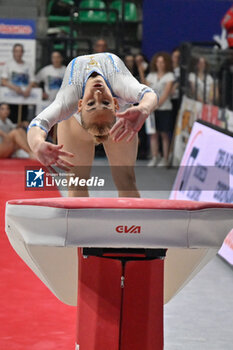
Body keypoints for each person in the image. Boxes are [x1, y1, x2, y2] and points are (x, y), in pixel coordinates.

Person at [27, 53, 158, 197]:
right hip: (115, 124)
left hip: (113, 126)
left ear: (80, 104)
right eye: (105, 103)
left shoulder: (68, 99)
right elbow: (149, 94)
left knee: (125, 181)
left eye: (91, 104)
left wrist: (37, 143)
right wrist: (144, 108)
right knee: (78, 183)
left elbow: (37, 124)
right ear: (114, 103)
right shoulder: (120, 84)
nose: (97, 94)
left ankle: (129, 220)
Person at [139, 52, 174, 167]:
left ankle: (165, 158)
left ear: (166, 63)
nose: (160, 64)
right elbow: (147, 89)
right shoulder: (151, 76)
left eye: (162, 62)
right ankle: (155, 156)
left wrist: (157, 104)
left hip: (165, 108)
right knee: (153, 134)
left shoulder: (170, 76)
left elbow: (166, 93)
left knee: (164, 134)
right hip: (152, 109)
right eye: (158, 62)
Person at [1, 43, 36, 123]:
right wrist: (14, 88)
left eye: (20, 51)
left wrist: (28, 89)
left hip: (24, 99)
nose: (18, 54)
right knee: (11, 120)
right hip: (11, 99)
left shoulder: (28, 65)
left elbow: (32, 80)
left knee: (23, 120)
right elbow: (3, 81)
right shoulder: (8, 65)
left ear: (23, 52)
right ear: (13, 52)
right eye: (16, 51)